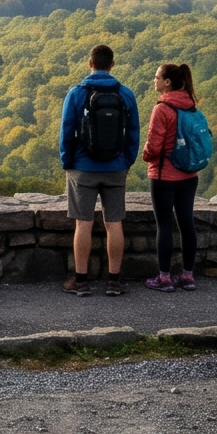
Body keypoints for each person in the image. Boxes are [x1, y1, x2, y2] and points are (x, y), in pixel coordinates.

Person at [56, 43, 136, 296]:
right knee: (114, 224)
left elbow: (67, 131)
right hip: (115, 167)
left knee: (84, 224)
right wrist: (127, 161)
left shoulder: (77, 93)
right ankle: (114, 281)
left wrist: (67, 161)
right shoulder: (125, 94)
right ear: (112, 64)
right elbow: (133, 132)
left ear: (90, 63)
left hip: (83, 168)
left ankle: (80, 281)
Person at [140, 62, 205, 291]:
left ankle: (164, 278)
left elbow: (154, 146)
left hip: (163, 175)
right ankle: (188, 276)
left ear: (167, 82)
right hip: (189, 174)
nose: (154, 80)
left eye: (157, 77)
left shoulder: (162, 109)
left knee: (165, 225)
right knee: (187, 224)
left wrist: (145, 155)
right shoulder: (190, 106)